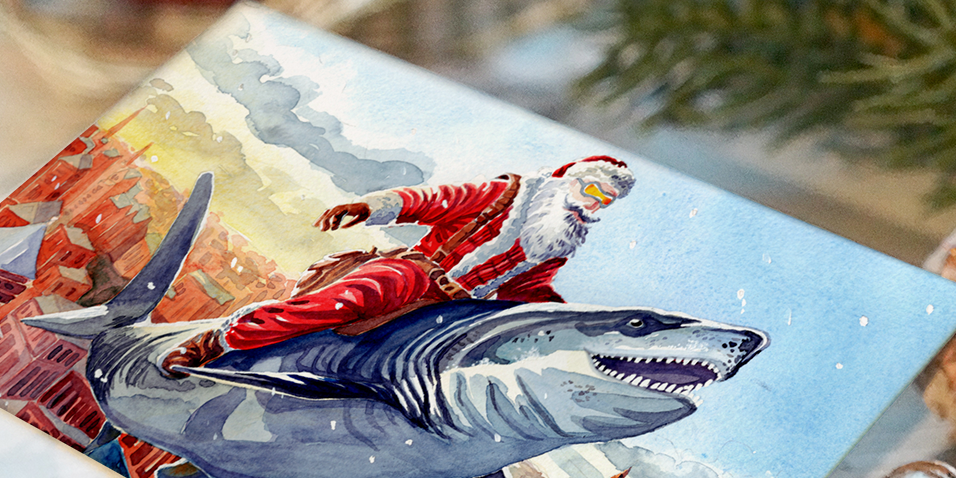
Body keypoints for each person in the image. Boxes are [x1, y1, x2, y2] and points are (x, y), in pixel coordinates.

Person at [160, 155, 637, 373]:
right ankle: (214, 344)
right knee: (347, 301)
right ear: (569, 180)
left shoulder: (560, 240)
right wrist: (374, 206)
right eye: (591, 189)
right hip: (417, 273)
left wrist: (572, 325)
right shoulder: (511, 194)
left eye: (605, 200)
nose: (592, 203)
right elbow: (438, 199)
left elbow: (529, 291)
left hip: (460, 310)